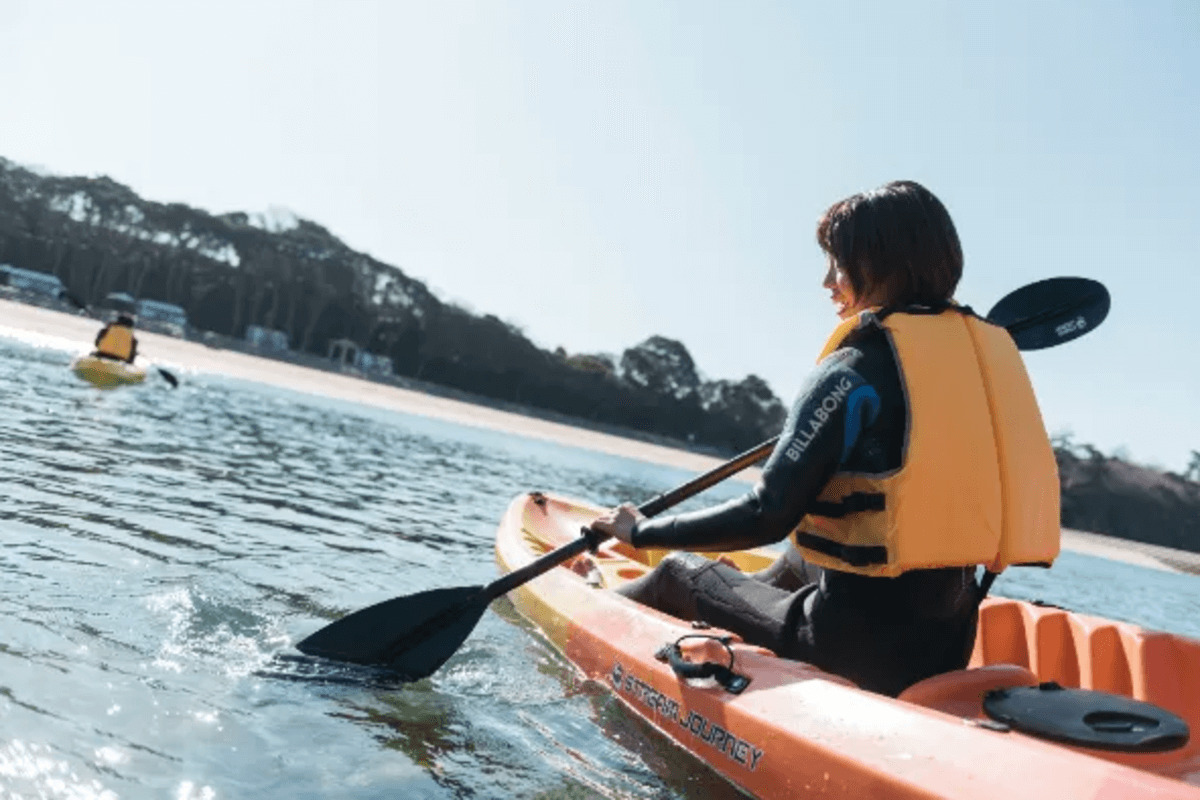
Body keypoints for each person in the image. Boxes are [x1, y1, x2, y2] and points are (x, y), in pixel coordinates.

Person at [591, 180, 1060, 697]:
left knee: (677, 573)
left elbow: (765, 514)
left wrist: (641, 532)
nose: (827, 282)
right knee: (800, 556)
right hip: (947, 647)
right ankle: (739, 595)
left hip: (847, 648)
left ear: (879, 263)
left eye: (838, 264)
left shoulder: (853, 369)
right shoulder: (973, 372)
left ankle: (595, 614)